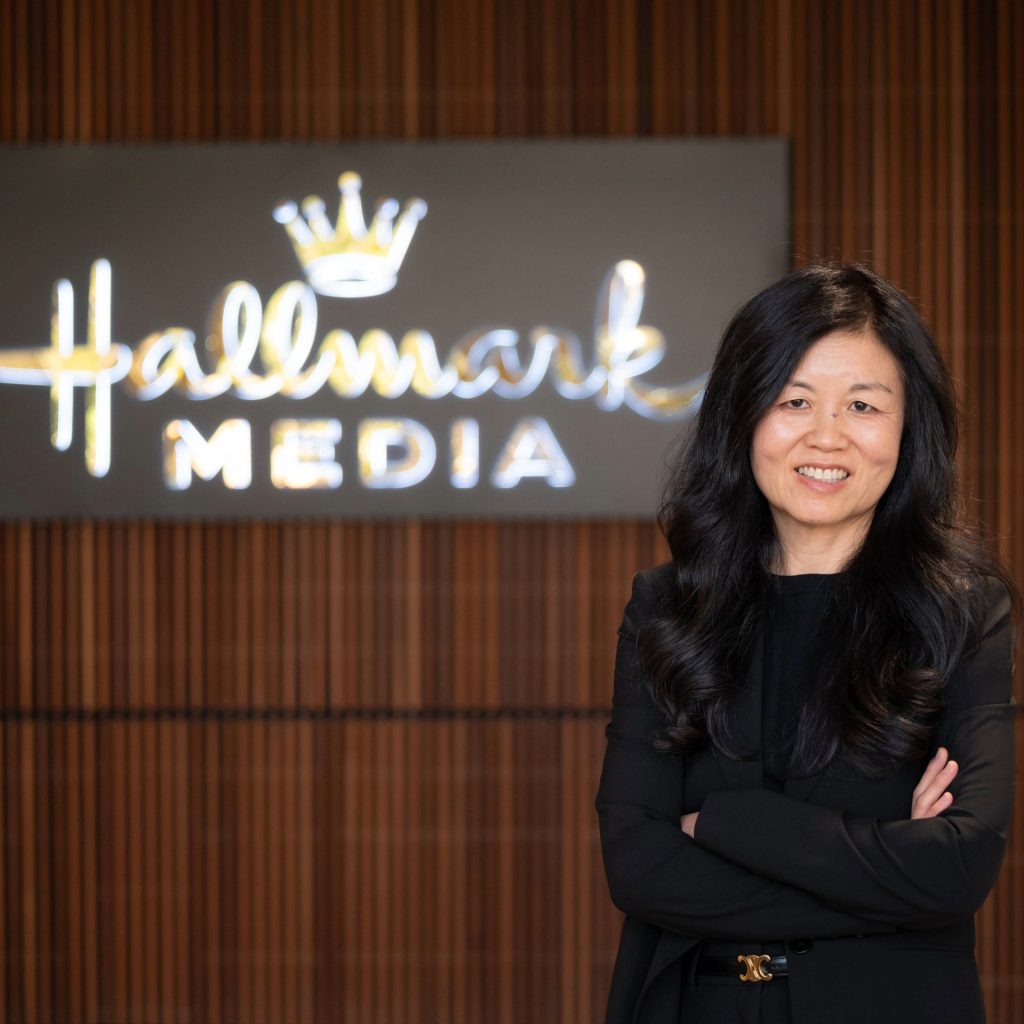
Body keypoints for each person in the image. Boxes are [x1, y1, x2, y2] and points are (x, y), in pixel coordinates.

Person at [594, 263, 1018, 1024]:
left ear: (906, 425)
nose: (827, 436)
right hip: (695, 1005)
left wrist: (726, 825)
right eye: (793, 401)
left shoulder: (961, 613)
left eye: (862, 404)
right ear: (742, 417)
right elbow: (638, 865)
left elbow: (956, 870)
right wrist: (885, 869)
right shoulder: (667, 609)